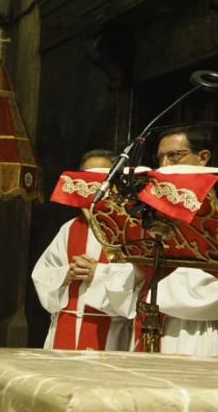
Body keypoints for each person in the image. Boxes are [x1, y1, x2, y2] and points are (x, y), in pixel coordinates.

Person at [140, 126, 218, 355]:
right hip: (148, 326)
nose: (164, 165)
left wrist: (145, 283)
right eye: (161, 157)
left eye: (174, 156)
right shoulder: (153, 210)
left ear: (203, 157)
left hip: (198, 335)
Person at [32, 148, 138, 350]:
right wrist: (67, 273)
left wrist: (97, 273)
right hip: (67, 324)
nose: (93, 185)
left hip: (110, 331)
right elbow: (43, 274)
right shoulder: (71, 228)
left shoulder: (131, 229)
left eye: (101, 178)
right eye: (87, 178)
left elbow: (140, 278)